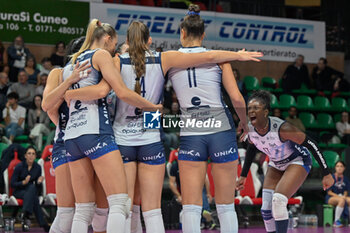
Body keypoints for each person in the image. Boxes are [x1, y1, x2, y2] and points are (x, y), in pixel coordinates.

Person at [63, 17, 262, 233]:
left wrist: (69, 91)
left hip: (125, 135)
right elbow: (211, 57)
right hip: (156, 133)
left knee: (125, 206)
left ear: (127, 42)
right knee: (156, 210)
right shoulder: (163, 59)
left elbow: (103, 91)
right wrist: (239, 55)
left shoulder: (117, 61)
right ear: (149, 40)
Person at [166, 4, 256, 233]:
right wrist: (245, 124)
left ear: (182, 33)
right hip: (221, 129)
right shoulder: (220, 59)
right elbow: (236, 98)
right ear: (204, 34)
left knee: (191, 206)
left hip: (192, 130)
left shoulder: (170, 59)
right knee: (226, 206)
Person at [236, 90, 334, 233]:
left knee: (278, 201)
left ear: (265, 112)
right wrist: (244, 176)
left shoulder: (283, 129)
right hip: (276, 163)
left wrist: (327, 173)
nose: (251, 111)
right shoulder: (249, 129)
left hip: (297, 160)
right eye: (249, 108)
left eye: (256, 108)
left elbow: (311, 144)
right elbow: (252, 148)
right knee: (266, 209)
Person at [42, 36, 108, 233]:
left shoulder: (101, 72)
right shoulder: (59, 73)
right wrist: (69, 83)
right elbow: (48, 106)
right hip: (68, 140)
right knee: (68, 213)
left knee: (102, 212)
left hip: (100, 137)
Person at [11, 146, 50, 232]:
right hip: (19, 191)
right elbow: (12, 184)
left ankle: (25, 215)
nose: (31, 156)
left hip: (31, 191)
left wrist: (38, 182)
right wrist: (23, 183)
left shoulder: (37, 167)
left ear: (35, 156)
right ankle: (41, 223)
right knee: (33, 195)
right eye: (29, 153)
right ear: (25, 156)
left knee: (32, 189)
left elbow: (37, 186)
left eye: (33, 154)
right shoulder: (19, 167)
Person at [325, 161, 350, 227]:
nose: (339, 168)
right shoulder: (330, 177)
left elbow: (346, 191)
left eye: (341, 166)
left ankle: (349, 221)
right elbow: (329, 192)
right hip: (331, 198)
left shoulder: (346, 179)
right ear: (335, 168)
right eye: (337, 166)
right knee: (341, 200)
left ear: (344, 168)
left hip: (342, 197)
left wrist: (344, 196)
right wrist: (340, 197)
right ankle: (336, 221)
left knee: (349, 200)